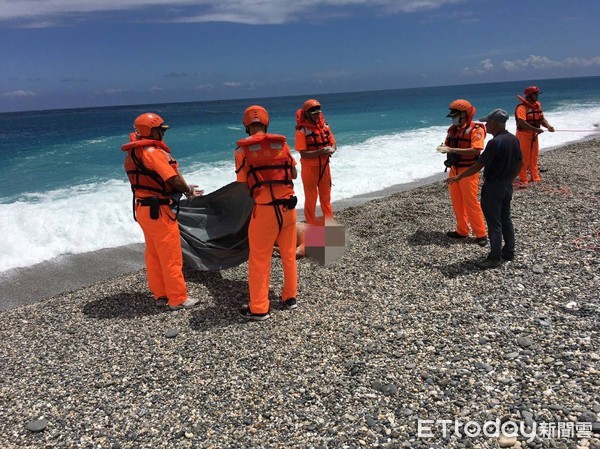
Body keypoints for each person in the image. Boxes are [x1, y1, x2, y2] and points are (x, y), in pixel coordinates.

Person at [121, 113, 203, 310]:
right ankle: (178, 299)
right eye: (160, 130)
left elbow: (154, 182)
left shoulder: (133, 154)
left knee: (154, 254)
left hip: (142, 209)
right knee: (171, 255)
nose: (163, 134)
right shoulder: (153, 153)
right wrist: (188, 190)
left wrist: (181, 187)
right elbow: (172, 179)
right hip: (160, 211)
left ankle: (160, 295)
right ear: (150, 130)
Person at [235, 105, 298, 321]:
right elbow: (294, 174)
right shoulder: (282, 145)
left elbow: (243, 184)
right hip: (288, 209)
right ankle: (290, 298)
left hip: (264, 212)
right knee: (289, 255)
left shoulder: (241, 151)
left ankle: (260, 308)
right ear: (266, 122)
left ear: (246, 125)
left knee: (260, 260)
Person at [446, 109, 523, 269]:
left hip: (494, 185)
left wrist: (459, 177)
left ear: (495, 123)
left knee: (494, 223)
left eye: (488, 122)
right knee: (506, 219)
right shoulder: (513, 139)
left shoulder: (495, 142)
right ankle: (509, 251)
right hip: (506, 185)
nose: (486, 125)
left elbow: (479, 164)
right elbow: (520, 163)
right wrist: (510, 179)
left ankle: (494, 257)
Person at [437, 99, 488, 246]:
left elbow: (476, 149)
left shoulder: (476, 129)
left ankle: (481, 234)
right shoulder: (452, 130)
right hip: (454, 169)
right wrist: (444, 148)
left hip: (468, 171)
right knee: (457, 202)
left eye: (455, 115)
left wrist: (451, 150)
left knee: (471, 202)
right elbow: (448, 145)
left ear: (464, 114)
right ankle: (462, 230)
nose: (453, 118)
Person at [294, 99, 337, 225]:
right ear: (307, 114)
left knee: (326, 199)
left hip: (324, 167)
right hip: (309, 169)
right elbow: (303, 154)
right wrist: (322, 151)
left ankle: (330, 227)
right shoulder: (301, 131)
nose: (317, 116)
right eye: (314, 114)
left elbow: (333, 143)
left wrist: (332, 149)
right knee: (311, 199)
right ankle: (312, 229)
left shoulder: (325, 126)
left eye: (318, 113)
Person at [515, 85, 554, 185]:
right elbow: (522, 122)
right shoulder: (522, 108)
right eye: (535, 94)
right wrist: (535, 129)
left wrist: (548, 126)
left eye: (537, 94)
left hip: (533, 135)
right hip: (523, 135)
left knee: (534, 156)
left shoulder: (537, 106)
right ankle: (523, 179)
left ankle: (535, 177)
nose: (537, 96)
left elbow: (541, 119)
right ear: (529, 96)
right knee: (523, 157)